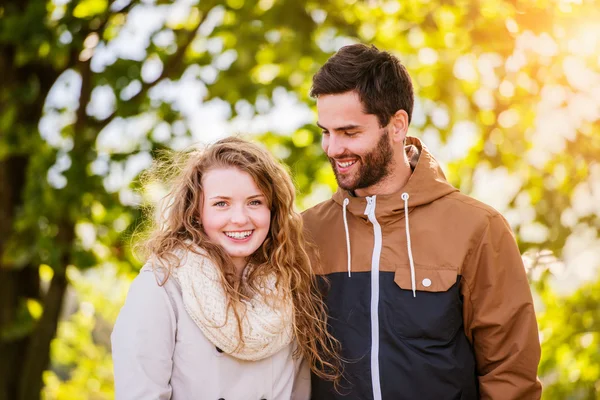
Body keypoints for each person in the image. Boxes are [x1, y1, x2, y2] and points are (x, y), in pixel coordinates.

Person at [302, 44, 542, 399]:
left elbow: (510, 374)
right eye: (326, 131)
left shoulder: (478, 228)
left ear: (397, 125)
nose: (333, 148)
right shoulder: (303, 233)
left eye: (350, 132)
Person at [111, 137, 341, 399]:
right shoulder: (162, 286)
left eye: (255, 202)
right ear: (197, 212)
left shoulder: (290, 287)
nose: (240, 218)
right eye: (221, 204)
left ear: (272, 210)